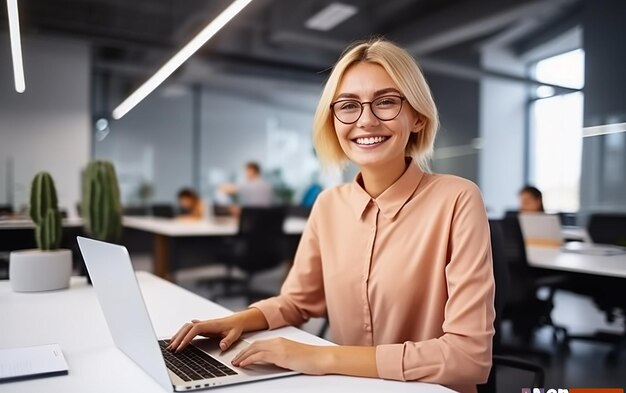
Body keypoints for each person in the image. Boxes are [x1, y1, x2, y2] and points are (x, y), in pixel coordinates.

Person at [168, 39, 495, 393]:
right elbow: (296, 302)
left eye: (386, 102)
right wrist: (239, 320)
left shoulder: (458, 199)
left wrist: (321, 358)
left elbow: (468, 357)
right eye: (348, 106)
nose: (365, 120)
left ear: (417, 116)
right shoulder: (328, 204)